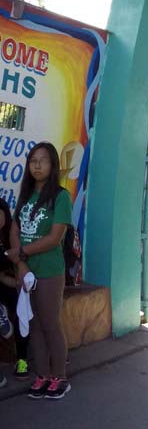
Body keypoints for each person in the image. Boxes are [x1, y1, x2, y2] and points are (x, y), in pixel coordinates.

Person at [3, 142, 72, 399]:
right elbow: (14, 230)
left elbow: (54, 238)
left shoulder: (61, 196)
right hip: (27, 272)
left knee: (50, 325)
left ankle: (60, 378)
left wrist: (21, 254)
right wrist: (20, 265)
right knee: (34, 327)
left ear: (53, 165)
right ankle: (42, 376)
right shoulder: (26, 196)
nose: (37, 165)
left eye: (43, 160)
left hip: (50, 271)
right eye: (33, 160)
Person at [0, 198, 30, 387]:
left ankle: (22, 360)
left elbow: (19, 262)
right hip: (3, 282)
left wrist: (15, 282)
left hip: (12, 285)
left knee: (22, 312)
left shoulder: (12, 234)